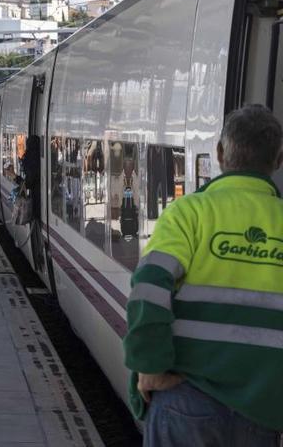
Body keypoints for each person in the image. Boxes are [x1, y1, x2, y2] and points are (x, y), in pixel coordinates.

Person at [123, 105, 283, 446]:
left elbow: (148, 289)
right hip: (263, 411)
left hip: (186, 397)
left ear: (221, 154)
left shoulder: (189, 212)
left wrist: (148, 366)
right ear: (279, 159)